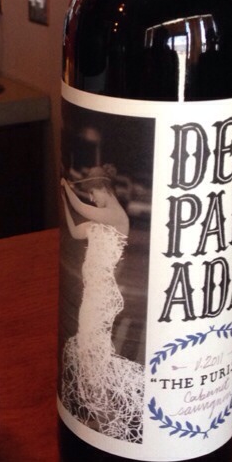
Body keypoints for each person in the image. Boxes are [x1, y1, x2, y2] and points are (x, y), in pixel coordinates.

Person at [58, 167, 144, 442]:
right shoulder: (99, 223)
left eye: (94, 193)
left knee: (92, 350)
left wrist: (66, 188)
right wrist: (63, 198)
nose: (93, 199)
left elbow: (80, 207)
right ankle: (101, 409)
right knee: (90, 350)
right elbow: (75, 231)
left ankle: (106, 415)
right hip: (92, 294)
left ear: (105, 189)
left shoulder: (116, 216)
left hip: (103, 294)